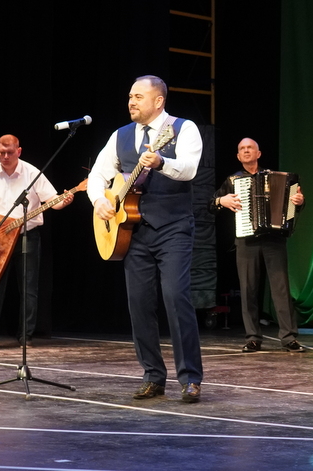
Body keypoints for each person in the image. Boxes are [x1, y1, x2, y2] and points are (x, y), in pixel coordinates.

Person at [88, 75, 204, 403]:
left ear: (159, 101)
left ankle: (190, 378)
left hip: (173, 227)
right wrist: (99, 201)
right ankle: (153, 375)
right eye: (130, 96)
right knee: (139, 304)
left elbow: (190, 169)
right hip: (133, 232)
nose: (131, 102)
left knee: (176, 297)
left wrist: (161, 161)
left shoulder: (183, 128)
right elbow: (97, 175)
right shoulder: (121, 135)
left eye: (138, 96)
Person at [209, 138, 306, 353]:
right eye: (242, 149)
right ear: (238, 156)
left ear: (258, 153)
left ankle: (289, 337)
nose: (246, 151)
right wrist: (222, 201)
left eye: (250, 148)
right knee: (248, 289)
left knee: (281, 288)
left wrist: (299, 201)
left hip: (274, 238)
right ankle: (253, 337)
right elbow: (211, 204)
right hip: (246, 239)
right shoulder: (233, 180)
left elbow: (293, 203)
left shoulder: (275, 177)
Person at [0, 135, 74, 349]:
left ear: (19, 151)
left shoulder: (32, 173)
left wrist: (64, 201)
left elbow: (52, 200)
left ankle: (26, 335)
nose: (5, 156)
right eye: (2, 153)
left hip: (27, 235)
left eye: (10, 152)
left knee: (28, 288)